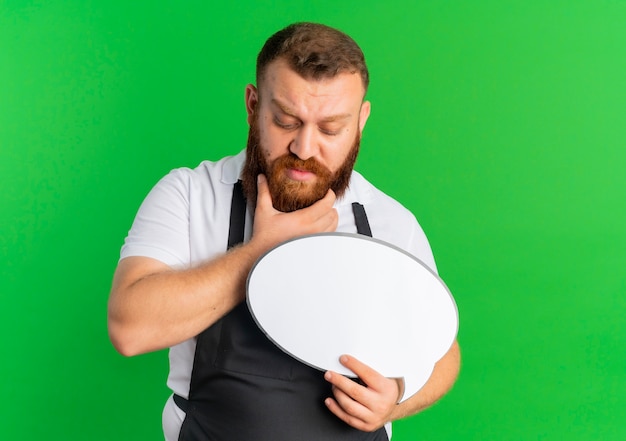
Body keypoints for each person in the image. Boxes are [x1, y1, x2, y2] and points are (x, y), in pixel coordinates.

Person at [108, 22, 460, 441]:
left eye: (331, 129)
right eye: (287, 121)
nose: (305, 147)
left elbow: (442, 352)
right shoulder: (190, 195)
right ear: (253, 105)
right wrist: (263, 249)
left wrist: (397, 396)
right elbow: (130, 327)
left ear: (361, 121)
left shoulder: (389, 222)